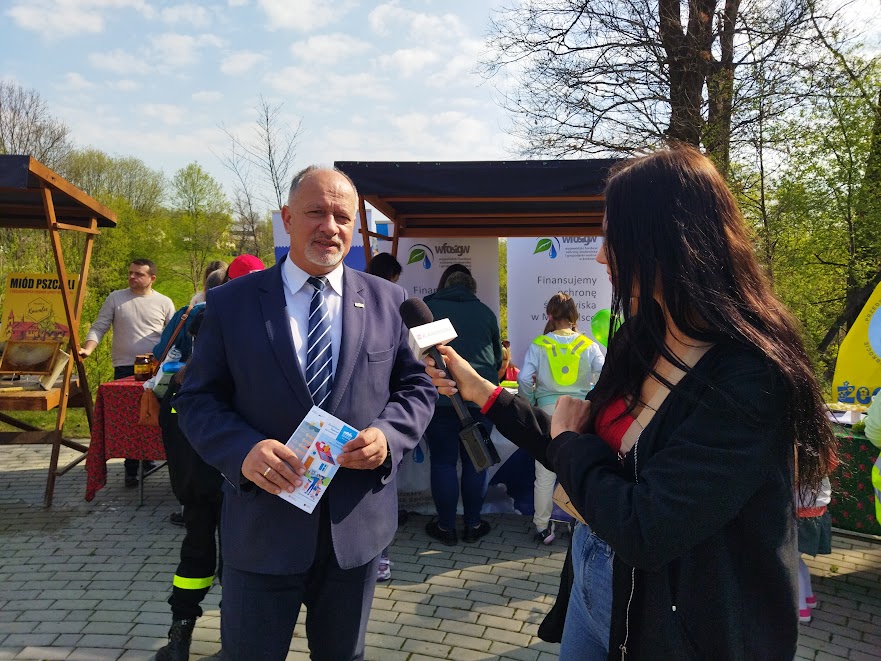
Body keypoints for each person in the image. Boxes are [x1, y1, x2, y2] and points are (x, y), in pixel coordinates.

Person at [423, 147, 837, 659]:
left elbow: (646, 527)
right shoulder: (640, 338)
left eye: (612, 238)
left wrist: (572, 445)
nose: (601, 255)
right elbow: (571, 445)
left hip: (680, 628)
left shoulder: (750, 377)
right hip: (596, 588)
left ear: (670, 239)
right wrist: (483, 393)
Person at [174, 166, 437, 661]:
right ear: (288, 218)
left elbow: (417, 387)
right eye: (317, 212)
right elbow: (196, 398)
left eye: (342, 215)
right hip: (262, 527)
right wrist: (241, 450)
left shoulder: (390, 301)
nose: (330, 226)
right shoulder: (230, 304)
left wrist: (388, 436)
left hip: (355, 534)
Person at [155, 265, 254, 661]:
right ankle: (233, 641)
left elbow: (164, 371)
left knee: (197, 542)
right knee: (237, 551)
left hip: (193, 443)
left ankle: (180, 638)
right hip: (234, 458)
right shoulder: (255, 316)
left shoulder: (192, 315)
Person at [423, 267, 502, 546]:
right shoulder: (486, 313)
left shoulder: (428, 309)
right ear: (472, 289)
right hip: (479, 402)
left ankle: (446, 528)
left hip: (440, 400)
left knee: (443, 462)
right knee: (476, 462)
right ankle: (473, 524)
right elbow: (498, 360)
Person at [80, 258, 176, 487]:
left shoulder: (164, 302)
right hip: (124, 367)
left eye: (138, 274)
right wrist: (88, 349)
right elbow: (99, 326)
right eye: (130, 273)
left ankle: (150, 457)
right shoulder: (116, 298)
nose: (132, 277)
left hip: (155, 369)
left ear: (152, 278)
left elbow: (174, 335)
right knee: (129, 418)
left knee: (154, 413)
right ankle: (131, 469)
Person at [518, 293, 604, 545]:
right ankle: (574, 522)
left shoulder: (540, 344)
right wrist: (591, 398)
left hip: (547, 411)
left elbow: (524, 378)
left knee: (544, 474)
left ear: (550, 316)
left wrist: (530, 400)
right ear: (574, 316)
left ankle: (543, 527)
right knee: (576, 470)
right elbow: (604, 371)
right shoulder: (587, 345)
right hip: (578, 412)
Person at [796, 475, 833, 624]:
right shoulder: (821, 455)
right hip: (816, 512)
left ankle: (800, 608)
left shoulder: (800, 458)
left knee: (790, 563)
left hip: (800, 514)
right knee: (797, 560)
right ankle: (808, 597)